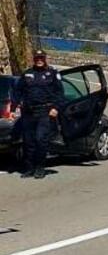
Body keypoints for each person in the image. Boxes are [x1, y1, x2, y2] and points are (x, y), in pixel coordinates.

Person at [14, 50, 63, 179]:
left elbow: (60, 94)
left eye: (41, 58)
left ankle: (40, 167)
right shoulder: (27, 74)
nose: (39, 60)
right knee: (28, 142)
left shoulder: (52, 74)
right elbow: (17, 91)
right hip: (28, 113)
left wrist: (55, 108)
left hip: (45, 112)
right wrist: (17, 104)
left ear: (45, 59)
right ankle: (29, 168)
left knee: (41, 140)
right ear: (34, 59)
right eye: (37, 58)